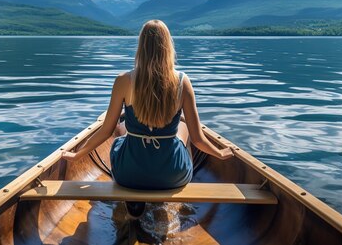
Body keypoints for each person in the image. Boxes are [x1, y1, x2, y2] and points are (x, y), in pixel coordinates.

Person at [62, 20, 233, 215]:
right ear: (168, 46)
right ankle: (170, 187)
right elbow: (198, 139)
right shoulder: (182, 82)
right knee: (183, 128)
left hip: (129, 175)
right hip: (172, 176)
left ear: (141, 47)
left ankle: (133, 201)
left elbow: (105, 131)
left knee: (121, 130)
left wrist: (78, 155)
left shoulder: (123, 81)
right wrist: (219, 153)